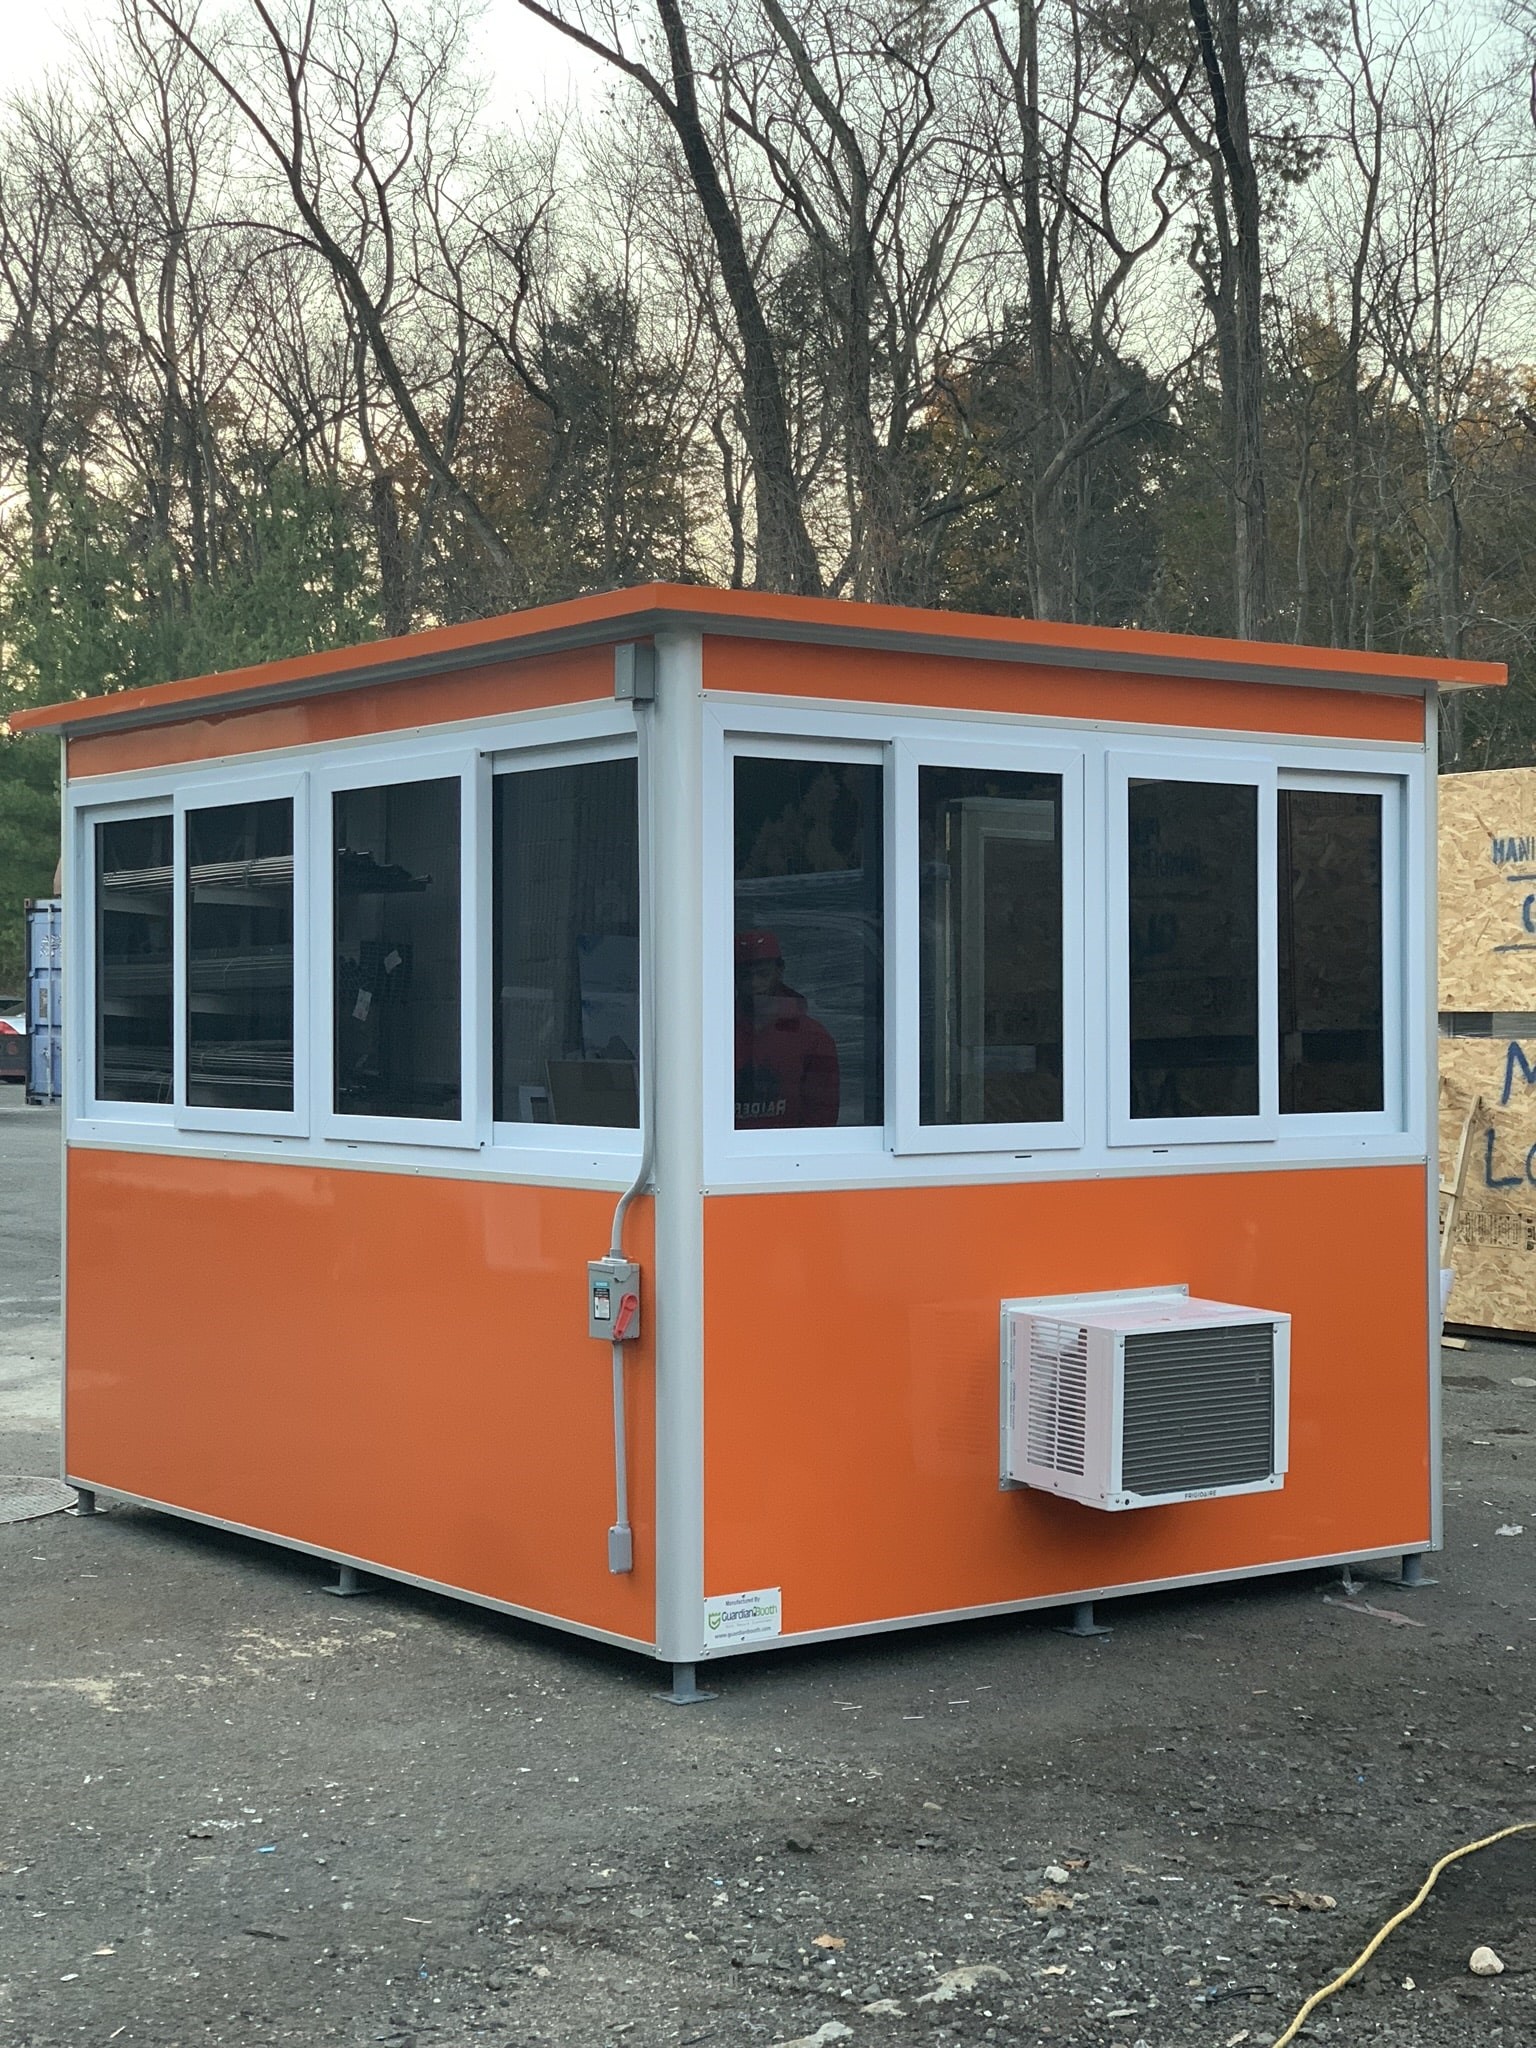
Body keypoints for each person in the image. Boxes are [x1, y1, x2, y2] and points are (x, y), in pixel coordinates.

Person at [733, 929, 840, 1127]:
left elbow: (822, 1118)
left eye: (763, 974)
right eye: (745, 975)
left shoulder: (813, 1038)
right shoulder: (714, 1035)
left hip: (789, 1155)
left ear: (780, 971)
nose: (755, 984)